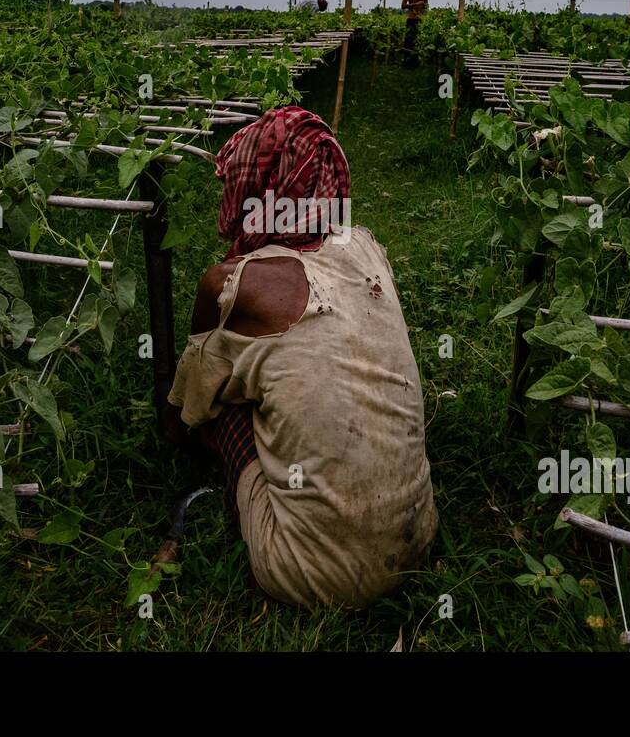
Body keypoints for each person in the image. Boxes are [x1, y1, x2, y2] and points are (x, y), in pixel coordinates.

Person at [162, 106, 438, 609]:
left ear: (256, 190)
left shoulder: (233, 285)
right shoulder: (364, 246)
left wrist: (178, 432)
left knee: (224, 398)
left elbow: (190, 404)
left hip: (310, 575)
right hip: (418, 535)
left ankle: (235, 501)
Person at [401, 0, 428, 66]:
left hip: (420, 20)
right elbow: (403, 6)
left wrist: (424, 8)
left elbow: (426, 6)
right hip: (411, 19)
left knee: (418, 41)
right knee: (409, 41)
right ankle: (407, 62)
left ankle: (415, 62)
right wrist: (415, 4)